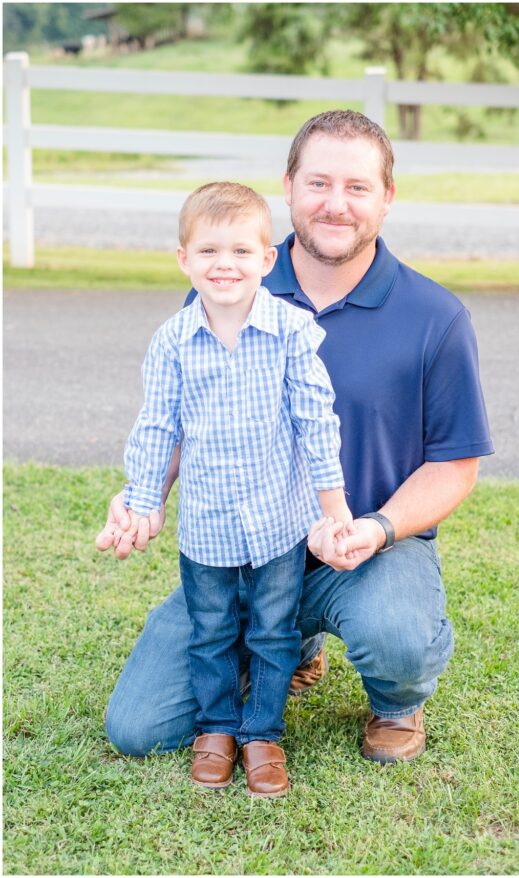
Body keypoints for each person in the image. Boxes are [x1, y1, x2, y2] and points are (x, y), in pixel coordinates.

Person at [98, 110, 494, 765]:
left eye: (357, 187)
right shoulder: (228, 285)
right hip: (243, 549)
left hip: (363, 550)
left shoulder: (435, 317)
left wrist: (377, 527)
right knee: (138, 726)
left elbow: (455, 466)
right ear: (287, 187)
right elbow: (176, 418)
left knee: (394, 634)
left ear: (387, 198)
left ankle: (397, 703)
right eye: (318, 183)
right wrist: (144, 497)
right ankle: (290, 646)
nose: (335, 204)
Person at [102, 182, 353, 797]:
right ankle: (216, 728)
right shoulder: (172, 342)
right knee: (211, 631)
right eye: (209, 251)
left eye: (242, 251)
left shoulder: (292, 333)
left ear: (268, 260)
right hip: (207, 528)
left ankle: (262, 732)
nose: (225, 265)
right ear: (184, 259)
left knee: (273, 631)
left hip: (277, 524)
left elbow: (315, 422)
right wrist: (142, 503)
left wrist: (334, 509)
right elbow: (158, 426)